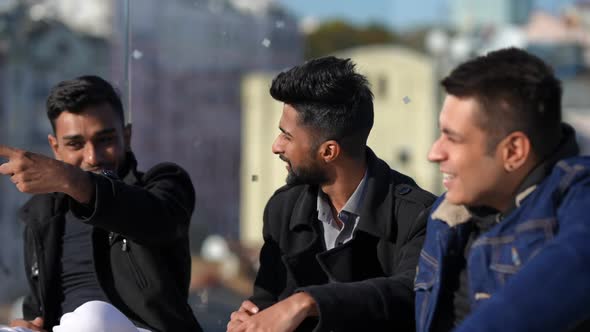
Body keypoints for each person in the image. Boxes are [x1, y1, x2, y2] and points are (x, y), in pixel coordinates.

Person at [228, 56, 435, 332]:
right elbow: (268, 300)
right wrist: (251, 319)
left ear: (328, 152)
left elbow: (411, 294)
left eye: (286, 136)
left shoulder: (417, 214)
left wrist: (308, 302)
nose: (276, 147)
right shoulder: (284, 209)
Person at [0, 76, 202, 332]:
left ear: (126, 136)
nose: (92, 157)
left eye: (105, 140)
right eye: (75, 144)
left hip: (141, 329)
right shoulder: (42, 214)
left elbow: (159, 221)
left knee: (93, 319)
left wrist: (71, 179)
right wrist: (30, 324)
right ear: (55, 147)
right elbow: (39, 304)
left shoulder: (163, 185)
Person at [415, 47, 590, 332]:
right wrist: (326, 302)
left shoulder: (577, 196)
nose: (434, 153)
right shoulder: (449, 213)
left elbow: (576, 261)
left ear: (513, 151)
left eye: (452, 138)